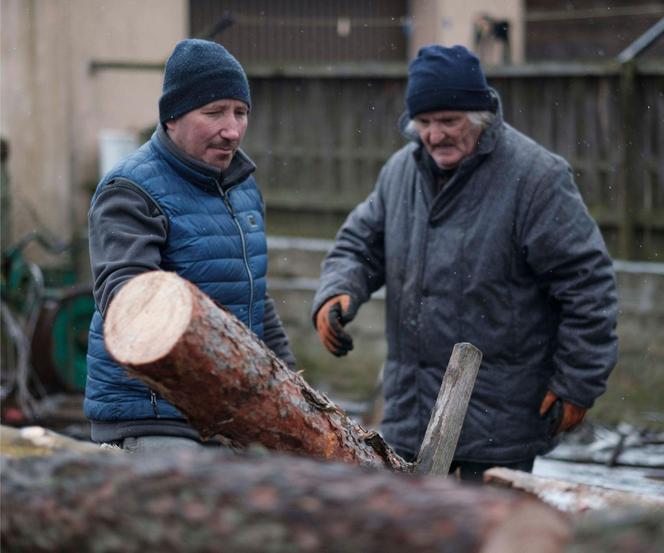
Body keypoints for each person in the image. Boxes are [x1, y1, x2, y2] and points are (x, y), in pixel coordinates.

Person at [312, 45, 618, 480]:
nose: (435, 135)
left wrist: (577, 383)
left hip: (498, 425)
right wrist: (337, 290)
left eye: (449, 122)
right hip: (408, 415)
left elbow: (588, 286)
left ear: (482, 117)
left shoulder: (536, 178)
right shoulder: (400, 172)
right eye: (424, 123)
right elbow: (359, 244)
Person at [85, 39, 295, 453]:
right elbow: (128, 305)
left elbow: (252, 297)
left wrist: (293, 391)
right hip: (154, 418)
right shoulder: (130, 190)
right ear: (172, 118)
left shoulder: (241, 187)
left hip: (228, 418)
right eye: (214, 112)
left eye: (241, 112)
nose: (232, 129)